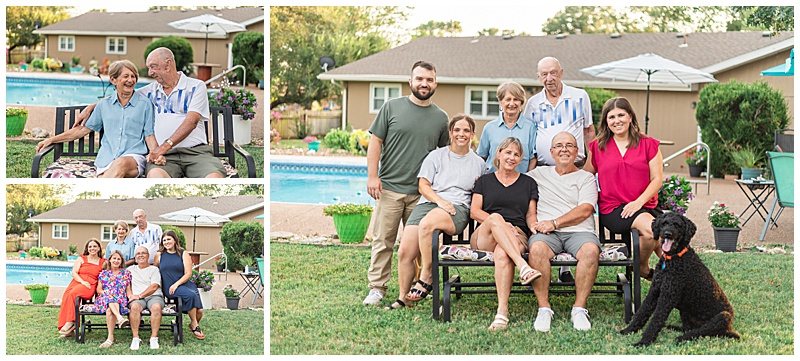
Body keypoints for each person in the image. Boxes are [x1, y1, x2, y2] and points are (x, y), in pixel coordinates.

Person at [362, 60, 449, 306]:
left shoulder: (441, 118)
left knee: (419, 246)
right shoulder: (392, 107)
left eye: (429, 80)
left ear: (435, 84)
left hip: (422, 194)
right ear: (410, 81)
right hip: (389, 188)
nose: (424, 83)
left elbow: (444, 155)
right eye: (419, 79)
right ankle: (377, 288)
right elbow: (376, 142)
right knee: (383, 241)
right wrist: (372, 176)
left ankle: (417, 287)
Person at [75, 47, 225, 178]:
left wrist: (163, 147)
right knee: (154, 177)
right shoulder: (151, 91)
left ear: (168, 65)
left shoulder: (196, 87)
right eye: (149, 68)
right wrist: (92, 106)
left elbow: (191, 122)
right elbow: (122, 94)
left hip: (195, 153)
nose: (150, 72)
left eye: (153, 67)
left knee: (214, 179)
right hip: (165, 157)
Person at [386, 115, 486, 310]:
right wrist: (439, 201)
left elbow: (482, 192)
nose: (461, 134)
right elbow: (423, 185)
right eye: (457, 130)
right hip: (430, 203)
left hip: (457, 208)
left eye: (466, 131)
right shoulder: (436, 156)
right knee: (405, 252)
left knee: (427, 224)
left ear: (473, 135)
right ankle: (403, 298)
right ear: (450, 133)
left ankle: (427, 275)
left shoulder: (478, 163)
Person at [524, 56, 596, 283]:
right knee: (543, 213)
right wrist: (530, 171)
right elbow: (530, 138)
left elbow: (589, 132)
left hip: (575, 167)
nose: (549, 78)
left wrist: (590, 167)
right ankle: (538, 264)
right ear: (538, 77)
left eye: (553, 73)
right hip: (544, 168)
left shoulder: (579, 96)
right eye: (544, 74)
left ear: (561, 72)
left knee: (572, 213)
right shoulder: (533, 103)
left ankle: (565, 268)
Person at [526, 131, 600, 332]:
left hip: (579, 231)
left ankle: (579, 308)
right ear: (551, 152)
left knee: (591, 251)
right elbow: (513, 184)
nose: (564, 149)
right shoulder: (537, 175)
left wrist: (555, 222)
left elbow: (586, 209)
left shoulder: (586, 177)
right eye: (559, 145)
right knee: (537, 249)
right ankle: (544, 308)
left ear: (577, 151)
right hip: (547, 233)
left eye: (569, 145)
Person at [584, 97, 664, 282]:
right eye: (611, 117)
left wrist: (638, 203)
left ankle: (684, 285)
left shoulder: (648, 144)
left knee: (671, 250)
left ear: (630, 117)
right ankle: (643, 269)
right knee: (653, 231)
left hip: (645, 205)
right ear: (606, 121)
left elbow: (657, 179)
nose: (617, 120)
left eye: (621, 115)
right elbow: (586, 176)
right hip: (614, 209)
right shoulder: (598, 147)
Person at [36, 60, 159, 177]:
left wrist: (157, 155)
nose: (130, 80)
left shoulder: (144, 104)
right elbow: (81, 130)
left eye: (133, 76)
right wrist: (51, 140)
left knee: (120, 163)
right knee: (113, 173)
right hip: (106, 160)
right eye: (126, 76)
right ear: (113, 80)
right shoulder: (103, 105)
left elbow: (149, 135)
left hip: (133, 160)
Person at [471, 137, 542, 331]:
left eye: (516, 154)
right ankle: (522, 265)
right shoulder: (485, 181)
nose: (511, 157)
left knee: (503, 253)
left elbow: (530, 214)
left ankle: (502, 313)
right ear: (498, 154)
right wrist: (502, 223)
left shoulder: (528, 183)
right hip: (485, 234)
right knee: (495, 218)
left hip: (516, 235)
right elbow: (475, 211)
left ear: (521, 160)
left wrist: (534, 227)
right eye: (508, 152)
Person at [154, 230, 205, 340]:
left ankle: (193, 323)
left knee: (200, 311)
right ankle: (195, 325)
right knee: (190, 296)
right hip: (170, 288)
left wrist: (176, 284)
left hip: (185, 284)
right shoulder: (159, 255)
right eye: (164, 240)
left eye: (169, 239)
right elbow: (155, 272)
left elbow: (188, 273)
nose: (166, 242)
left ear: (175, 240)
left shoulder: (183, 253)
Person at [477, 81, 537, 172]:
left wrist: (527, 181)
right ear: (500, 102)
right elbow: (481, 157)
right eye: (508, 99)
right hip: (493, 181)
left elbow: (533, 159)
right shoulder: (489, 128)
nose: (512, 104)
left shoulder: (530, 127)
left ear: (521, 102)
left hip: (520, 182)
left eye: (516, 99)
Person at [57, 238, 105, 338]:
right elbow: (74, 273)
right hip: (77, 281)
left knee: (73, 294)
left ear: (99, 248)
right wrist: (82, 281)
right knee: (67, 296)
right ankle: (70, 331)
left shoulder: (103, 262)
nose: (92, 248)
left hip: (90, 285)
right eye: (90, 246)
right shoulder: (81, 259)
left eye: (95, 246)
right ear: (87, 249)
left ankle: (71, 322)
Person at [91, 250, 132, 348]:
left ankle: (110, 338)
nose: (116, 261)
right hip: (104, 299)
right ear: (109, 260)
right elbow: (99, 290)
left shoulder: (126, 273)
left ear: (121, 261)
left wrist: (131, 297)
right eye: (114, 258)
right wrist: (105, 293)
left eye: (118, 259)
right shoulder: (104, 273)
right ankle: (119, 318)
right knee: (110, 297)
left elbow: (128, 290)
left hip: (120, 300)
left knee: (110, 310)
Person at [127, 246, 164, 350]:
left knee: (156, 307)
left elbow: (154, 286)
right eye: (138, 253)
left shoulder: (154, 269)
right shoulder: (130, 269)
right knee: (134, 307)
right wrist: (130, 295)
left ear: (148, 256)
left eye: (143, 253)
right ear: (135, 257)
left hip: (154, 296)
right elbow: (126, 285)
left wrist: (139, 295)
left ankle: (153, 337)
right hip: (137, 299)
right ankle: (135, 338)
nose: (141, 255)